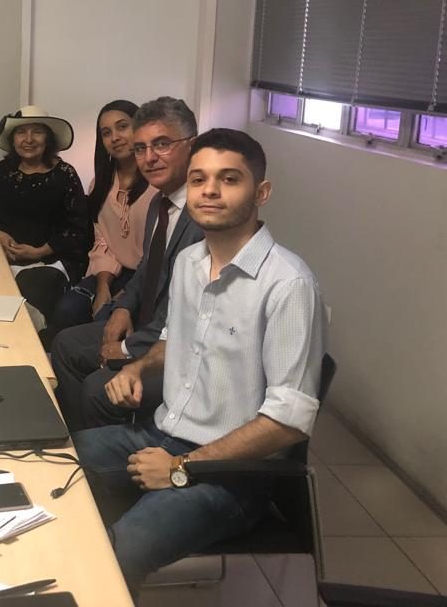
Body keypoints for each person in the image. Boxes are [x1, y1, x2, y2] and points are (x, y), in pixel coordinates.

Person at [70, 128, 326, 595]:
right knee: (53, 467)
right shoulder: (189, 261)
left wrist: (182, 465)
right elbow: (174, 339)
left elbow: (288, 420)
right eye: (199, 179)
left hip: (230, 475)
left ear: (261, 192)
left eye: (229, 179)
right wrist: (137, 368)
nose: (209, 190)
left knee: (115, 553)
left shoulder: (288, 285)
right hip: (160, 435)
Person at [51, 97, 203, 431]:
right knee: (64, 343)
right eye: (141, 148)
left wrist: (125, 348)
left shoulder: (203, 213)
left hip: (180, 346)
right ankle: (79, 438)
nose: (149, 158)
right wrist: (122, 309)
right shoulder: (161, 203)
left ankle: (104, 446)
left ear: (192, 145)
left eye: (162, 145)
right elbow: (148, 269)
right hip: (146, 320)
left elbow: (187, 312)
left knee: (97, 388)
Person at [0, 105, 89, 324]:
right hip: (2, 257)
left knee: (28, 297)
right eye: (21, 132)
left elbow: (79, 231)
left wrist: (39, 251)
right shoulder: (3, 170)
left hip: (50, 262)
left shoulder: (65, 174)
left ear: (48, 139)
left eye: (37, 132)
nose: (29, 139)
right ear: (13, 140)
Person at [46, 100, 157, 341]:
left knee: (104, 322)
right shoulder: (100, 185)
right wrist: (103, 286)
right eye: (106, 133)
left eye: (122, 127)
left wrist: (128, 294)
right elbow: (102, 240)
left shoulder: (158, 182)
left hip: (149, 277)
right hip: (112, 272)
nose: (115, 137)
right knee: (66, 310)